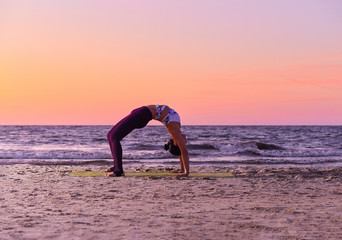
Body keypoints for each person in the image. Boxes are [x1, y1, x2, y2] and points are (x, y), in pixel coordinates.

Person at [105, 105, 189, 177]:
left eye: (183, 143)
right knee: (110, 135)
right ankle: (116, 166)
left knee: (114, 136)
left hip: (142, 115)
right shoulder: (176, 127)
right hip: (142, 113)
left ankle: (118, 170)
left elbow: (184, 152)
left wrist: (186, 173)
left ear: (175, 143)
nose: (185, 142)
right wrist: (181, 169)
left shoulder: (174, 130)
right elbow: (181, 151)